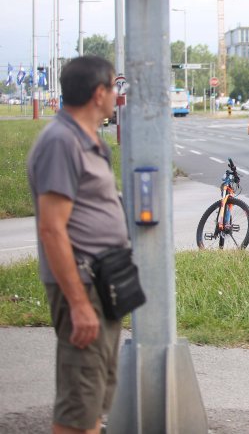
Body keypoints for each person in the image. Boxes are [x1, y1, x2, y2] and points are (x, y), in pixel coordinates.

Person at [26, 56, 129, 434]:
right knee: (78, 406)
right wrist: (79, 304)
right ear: (98, 92)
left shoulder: (87, 140)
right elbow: (52, 230)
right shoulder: (60, 142)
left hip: (104, 280)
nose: (117, 96)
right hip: (82, 285)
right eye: (114, 88)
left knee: (94, 401)